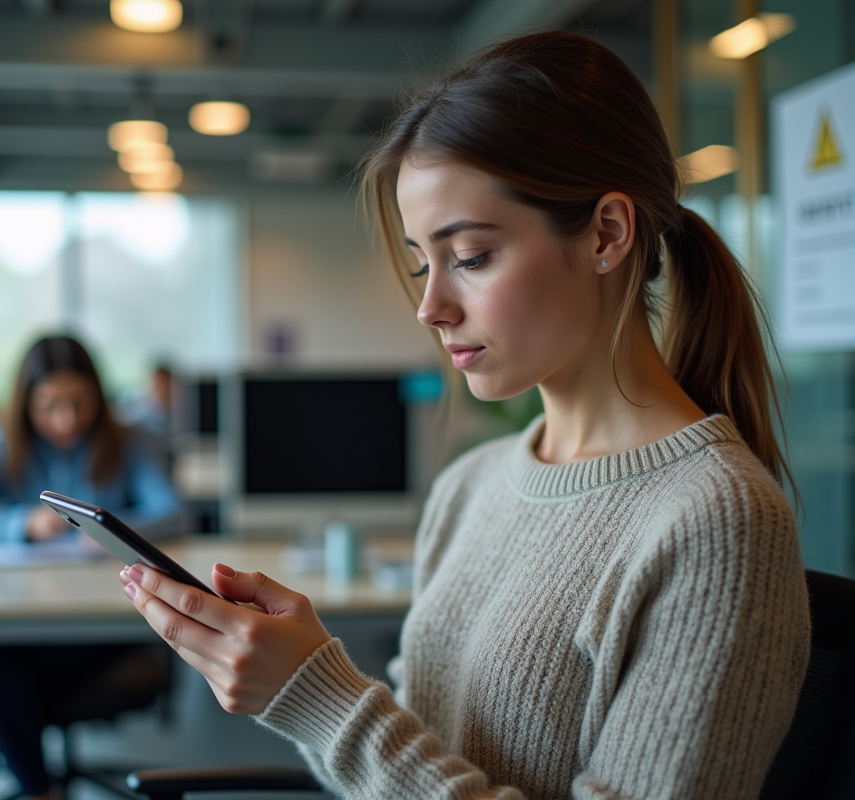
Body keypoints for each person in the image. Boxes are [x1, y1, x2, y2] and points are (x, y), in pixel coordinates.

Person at [116, 31, 811, 800]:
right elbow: (406, 764)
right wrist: (305, 687)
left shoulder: (715, 520)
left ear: (608, 234)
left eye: (471, 256)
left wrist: (319, 698)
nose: (430, 307)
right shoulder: (470, 486)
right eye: (423, 262)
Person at [0, 335, 181, 800]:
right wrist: (22, 522)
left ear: (98, 397)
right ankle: (41, 789)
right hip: (25, 620)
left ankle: (36, 790)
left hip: (106, 623)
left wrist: (109, 532)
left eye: (79, 403)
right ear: (25, 403)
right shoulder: (1, 440)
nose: (66, 420)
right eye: (49, 406)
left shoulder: (128, 440)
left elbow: (173, 512)